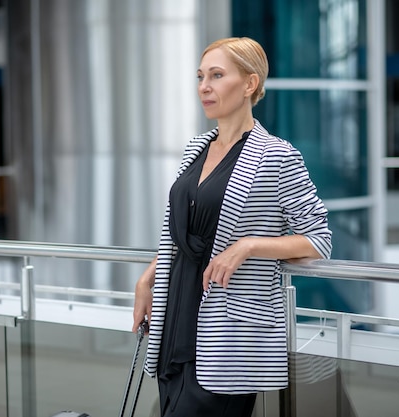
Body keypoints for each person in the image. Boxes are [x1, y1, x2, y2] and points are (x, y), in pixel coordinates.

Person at [132, 37, 332, 417]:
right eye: (200, 76)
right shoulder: (197, 148)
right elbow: (184, 234)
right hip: (175, 315)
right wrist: (149, 277)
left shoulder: (277, 155)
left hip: (229, 333)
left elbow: (319, 239)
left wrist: (248, 246)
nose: (203, 86)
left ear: (249, 84)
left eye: (217, 75)